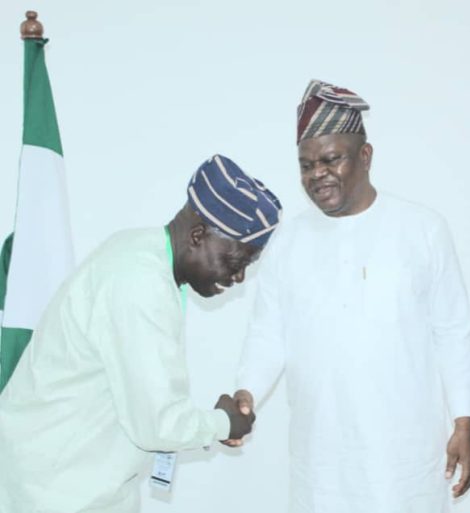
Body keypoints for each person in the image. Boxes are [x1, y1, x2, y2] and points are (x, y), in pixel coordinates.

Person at [234, 80, 470, 513]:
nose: (317, 174)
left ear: (365, 156)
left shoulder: (422, 229)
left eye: (331, 160)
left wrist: (463, 420)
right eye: (306, 165)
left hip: (404, 460)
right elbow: (267, 333)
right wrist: (247, 391)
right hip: (321, 461)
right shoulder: (288, 242)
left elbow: (452, 333)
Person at [0, 154, 282, 513]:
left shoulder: (140, 253)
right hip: (56, 491)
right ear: (198, 236)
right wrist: (226, 423)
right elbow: (158, 424)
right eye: (236, 262)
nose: (239, 277)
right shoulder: (140, 284)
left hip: (77, 479)